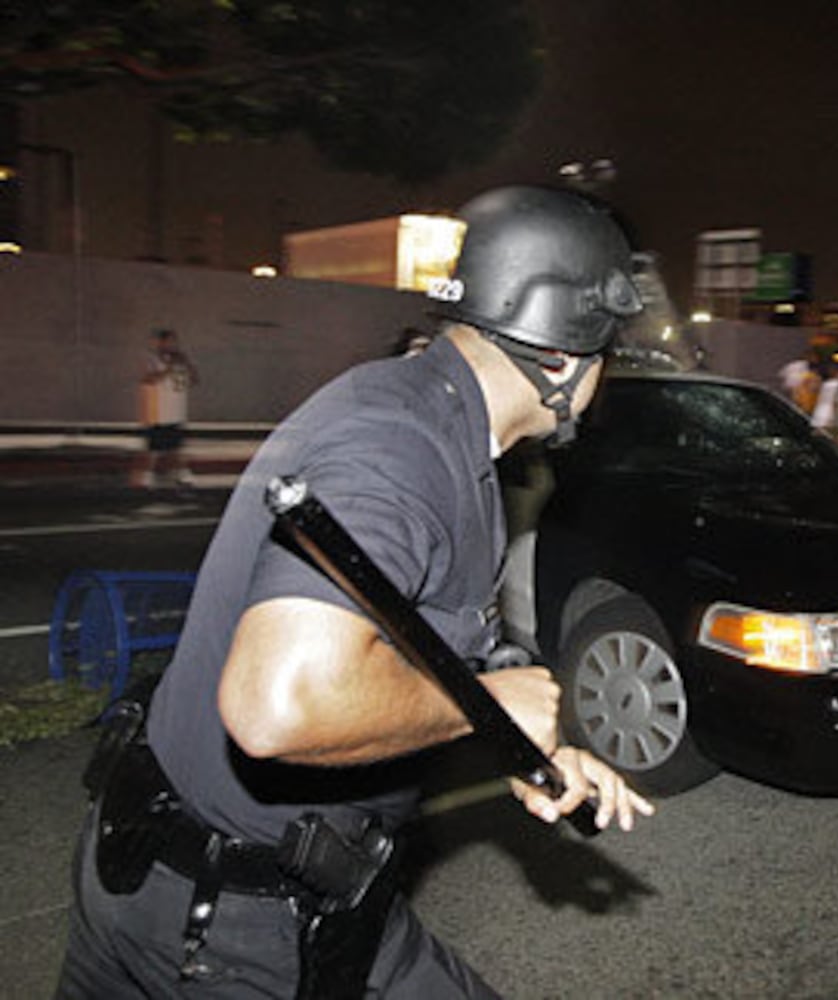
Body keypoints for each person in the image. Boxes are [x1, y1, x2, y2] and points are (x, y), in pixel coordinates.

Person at [58, 186, 655, 999]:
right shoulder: (399, 447)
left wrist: (530, 748)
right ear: (562, 357)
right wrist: (485, 704)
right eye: (608, 352)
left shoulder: (436, 424)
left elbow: (419, 646)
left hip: (150, 872)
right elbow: (279, 707)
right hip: (231, 921)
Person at [137, 328, 199, 488]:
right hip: (159, 412)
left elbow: (194, 380)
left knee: (177, 447)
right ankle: (146, 476)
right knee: (153, 448)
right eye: (167, 341)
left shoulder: (181, 360)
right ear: (160, 342)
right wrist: (168, 368)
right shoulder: (152, 360)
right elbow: (148, 379)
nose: (170, 345)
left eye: (173, 341)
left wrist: (188, 365)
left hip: (176, 411)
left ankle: (182, 474)